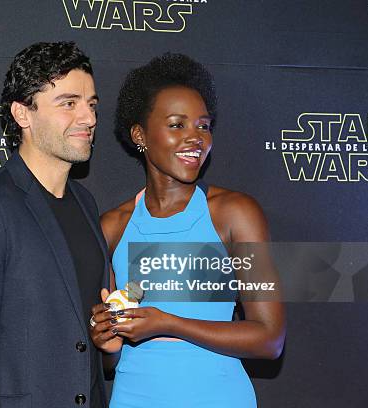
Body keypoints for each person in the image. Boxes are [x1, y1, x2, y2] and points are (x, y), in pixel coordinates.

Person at [89, 53, 286, 407]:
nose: (196, 138)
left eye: (204, 125)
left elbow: (269, 339)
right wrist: (107, 342)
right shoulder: (112, 227)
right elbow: (108, 362)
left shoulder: (234, 214)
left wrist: (168, 322)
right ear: (140, 134)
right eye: (177, 125)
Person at [0, 41, 109, 408]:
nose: (89, 118)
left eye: (91, 104)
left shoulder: (86, 204)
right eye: (69, 103)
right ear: (22, 114)